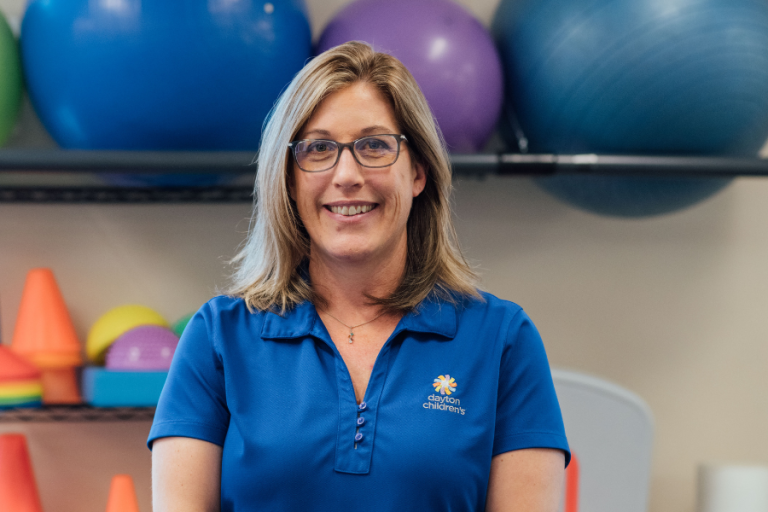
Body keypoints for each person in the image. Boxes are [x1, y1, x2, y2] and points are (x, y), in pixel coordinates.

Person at [149, 41, 570, 512]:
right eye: (319, 148)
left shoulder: (503, 341)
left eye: (374, 145)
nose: (346, 174)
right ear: (289, 178)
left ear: (418, 171)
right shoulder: (217, 338)